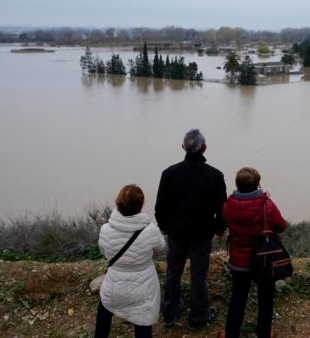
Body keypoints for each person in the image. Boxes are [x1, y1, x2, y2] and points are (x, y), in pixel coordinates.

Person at [155, 129, 227, 330]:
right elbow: (222, 209)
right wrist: (219, 228)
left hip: (176, 233)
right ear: (204, 148)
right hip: (202, 234)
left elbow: (160, 207)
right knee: (198, 276)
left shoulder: (169, 173)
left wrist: (165, 227)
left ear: (183, 148)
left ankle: (169, 314)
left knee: (173, 273)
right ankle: (197, 319)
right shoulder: (215, 175)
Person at [219, 167, 286, 338]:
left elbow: (226, 223)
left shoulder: (228, 206)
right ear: (258, 184)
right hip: (263, 261)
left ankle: (231, 334)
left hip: (238, 262)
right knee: (265, 298)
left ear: (237, 185)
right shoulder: (267, 205)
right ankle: (264, 333)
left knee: (238, 298)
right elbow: (281, 226)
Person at [95, 184, 166, 338]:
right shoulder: (150, 230)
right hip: (144, 287)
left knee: (105, 309)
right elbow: (161, 248)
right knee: (143, 322)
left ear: (118, 203)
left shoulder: (105, 229)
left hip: (114, 284)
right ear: (141, 204)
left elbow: (104, 252)